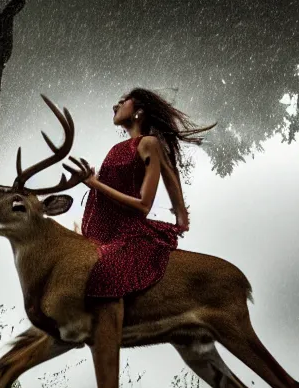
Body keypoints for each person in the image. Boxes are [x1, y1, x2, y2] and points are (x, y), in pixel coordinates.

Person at [79, 87, 216, 299]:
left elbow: (143, 205)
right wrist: (93, 183)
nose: (115, 105)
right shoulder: (117, 148)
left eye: (124, 101)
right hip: (99, 233)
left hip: (124, 236)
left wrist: (96, 184)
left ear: (139, 112)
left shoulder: (148, 144)